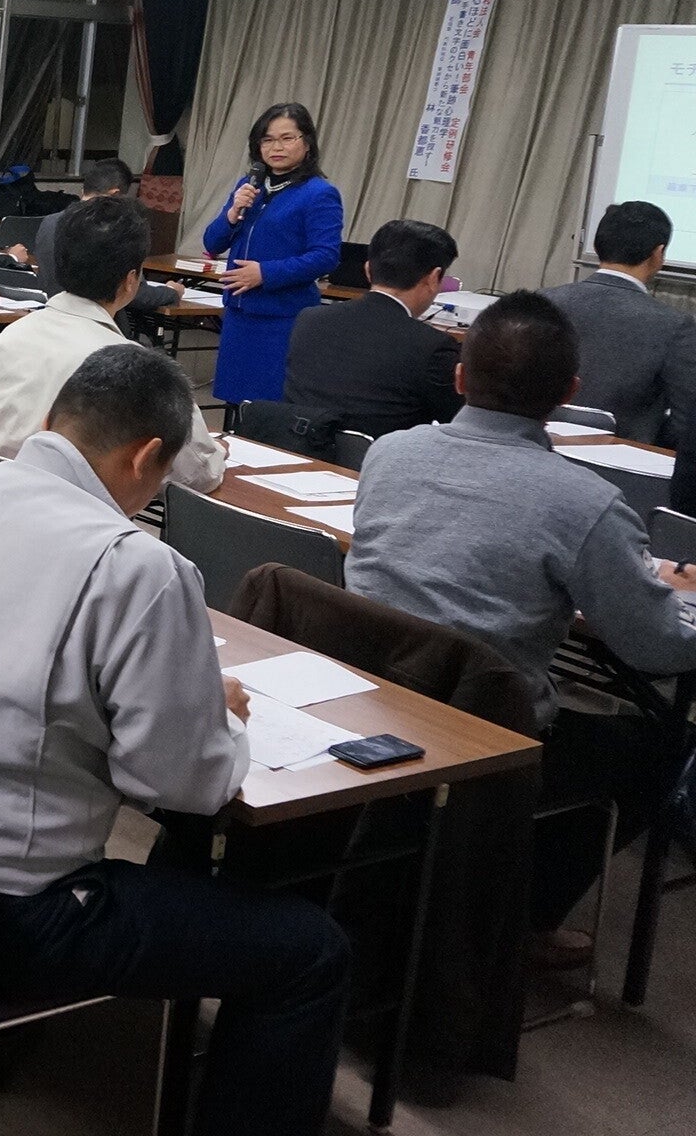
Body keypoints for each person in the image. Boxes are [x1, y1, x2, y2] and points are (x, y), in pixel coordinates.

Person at [0, 343, 351, 1136]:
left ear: (57, 417)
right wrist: (221, 717)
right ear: (145, 457)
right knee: (311, 952)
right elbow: (181, 784)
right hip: (17, 907)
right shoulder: (137, 567)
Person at [343, 292, 696, 952]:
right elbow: (655, 646)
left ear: (458, 377)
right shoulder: (586, 502)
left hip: (372, 696)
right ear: (569, 393)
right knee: (655, 744)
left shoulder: (389, 451)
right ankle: (523, 921)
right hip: (488, 728)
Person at [0, 195, 226, 490]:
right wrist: (218, 454)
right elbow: (199, 473)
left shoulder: (9, 337)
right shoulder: (136, 368)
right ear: (131, 280)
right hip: (72, 506)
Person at [201, 102, 344, 406]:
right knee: (234, 403)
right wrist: (232, 212)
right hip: (239, 315)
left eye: (286, 138)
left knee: (269, 407)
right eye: (267, 140)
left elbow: (326, 256)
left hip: (282, 318)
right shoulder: (248, 186)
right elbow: (212, 243)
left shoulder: (318, 193)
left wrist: (265, 273)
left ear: (307, 143)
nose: (276, 147)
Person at [283, 218, 463, 436]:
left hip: (296, 447)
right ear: (434, 278)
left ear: (368, 270)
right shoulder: (432, 346)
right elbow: (459, 421)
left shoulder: (309, 319)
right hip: (380, 455)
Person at [541, 200, 696, 444]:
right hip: (620, 459)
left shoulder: (541, 302)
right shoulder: (676, 326)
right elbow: (687, 419)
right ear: (658, 254)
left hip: (534, 445)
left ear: (596, 245)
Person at [32, 158, 179, 316]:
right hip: (98, 319)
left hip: (53, 313)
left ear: (83, 190)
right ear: (115, 194)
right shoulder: (110, 229)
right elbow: (133, 293)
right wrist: (171, 292)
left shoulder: (49, 222)